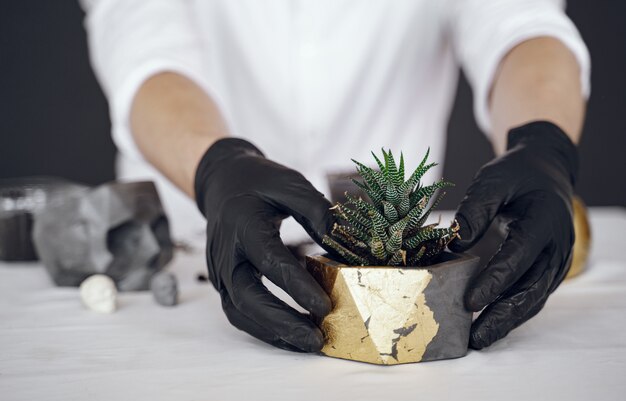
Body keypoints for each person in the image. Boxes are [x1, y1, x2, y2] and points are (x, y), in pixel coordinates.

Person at [80, 0, 590, 352]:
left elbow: (522, 24)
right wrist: (215, 167)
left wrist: (542, 145)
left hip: (402, 278)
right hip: (196, 258)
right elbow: (143, 47)